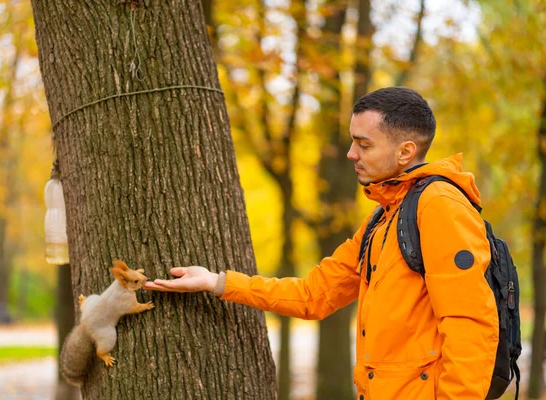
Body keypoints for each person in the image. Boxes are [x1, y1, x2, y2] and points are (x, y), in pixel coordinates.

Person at [144, 87, 499, 399]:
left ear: (405, 151)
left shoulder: (439, 207)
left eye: (363, 144)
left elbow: (470, 326)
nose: (350, 154)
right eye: (352, 141)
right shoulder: (384, 218)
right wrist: (217, 282)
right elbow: (314, 295)